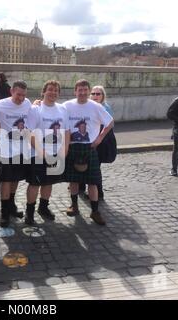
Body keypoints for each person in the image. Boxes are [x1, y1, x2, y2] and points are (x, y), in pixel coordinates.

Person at [64, 79, 114, 226]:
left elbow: (110, 122)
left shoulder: (95, 106)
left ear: (88, 90)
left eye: (85, 90)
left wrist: (99, 138)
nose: (83, 92)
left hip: (89, 147)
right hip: (73, 147)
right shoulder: (67, 106)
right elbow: (53, 112)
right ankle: (74, 205)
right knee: (73, 180)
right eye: (80, 90)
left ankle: (95, 211)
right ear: (75, 91)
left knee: (93, 181)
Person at [25, 80, 68, 225]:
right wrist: (40, 151)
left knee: (49, 183)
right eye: (50, 90)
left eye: (56, 90)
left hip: (56, 153)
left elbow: (67, 131)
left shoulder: (62, 109)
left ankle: (43, 207)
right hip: (37, 154)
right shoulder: (35, 109)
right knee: (34, 184)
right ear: (43, 92)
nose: (53, 93)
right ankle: (29, 213)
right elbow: (28, 132)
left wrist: (65, 149)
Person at [0, 80, 32, 227]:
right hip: (6, 149)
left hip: (21, 149)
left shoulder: (28, 103)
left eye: (24, 95)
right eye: (18, 95)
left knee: (15, 179)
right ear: (11, 91)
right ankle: (4, 213)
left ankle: (11, 205)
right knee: (6, 180)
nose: (21, 98)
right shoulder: (0, 105)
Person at [79, 85, 117, 200]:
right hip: (89, 140)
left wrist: (99, 139)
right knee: (84, 164)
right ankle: (81, 186)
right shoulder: (88, 106)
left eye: (98, 94)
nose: (95, 96)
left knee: (95, 168)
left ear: (102, 96)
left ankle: (99, 193)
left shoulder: (104, 108)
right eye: (93, 94)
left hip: (101, 142)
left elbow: (109, 125)